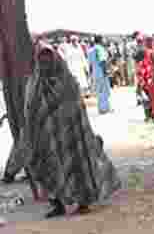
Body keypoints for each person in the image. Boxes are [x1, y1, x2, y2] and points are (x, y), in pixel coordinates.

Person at [7, 43, 121, 218]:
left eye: (48, 59)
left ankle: (83, 201)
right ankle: (57, 204)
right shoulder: (35, 83)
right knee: (48, 166)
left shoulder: (68, 82)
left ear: (55, 59)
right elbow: (30, 110)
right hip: (46, 136)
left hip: (71, 136)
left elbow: (77, 109)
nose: (45, 63)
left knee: (76, 167)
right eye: (41, 60)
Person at [88, 37, 112, 114]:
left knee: (99, 91)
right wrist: (105, 72)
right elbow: (102, 61)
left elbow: (90, 64)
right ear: (101, 40)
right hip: (101, 72)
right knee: (105, 91)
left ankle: (101, 108)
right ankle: (105, 108)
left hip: (95, 73)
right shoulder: (100, 48)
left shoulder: (90, 50)